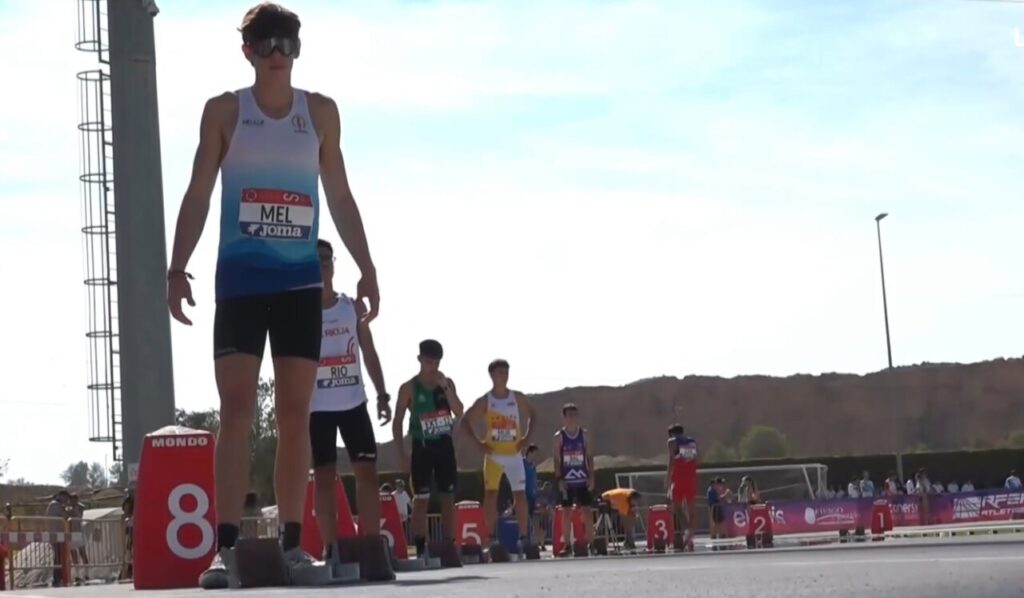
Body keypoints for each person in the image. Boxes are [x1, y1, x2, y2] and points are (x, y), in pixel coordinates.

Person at [165, 3, 379, 589]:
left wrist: (367, 266)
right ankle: (224, 547)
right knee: (235, 412)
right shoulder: (225, 112)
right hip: (239, 281)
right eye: (266, 42)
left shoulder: (323, 114)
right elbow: (198, 193)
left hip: (298, 285)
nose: (278, 52)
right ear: (248, 51)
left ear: (299, 47)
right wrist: (176, 266)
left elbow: (339, 194)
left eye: (287, 40)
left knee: (294, 416)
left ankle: (292, 545)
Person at [309, 239, 393, 580]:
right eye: (315, 260)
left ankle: (371, 546)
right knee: (324, 480)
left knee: (368, 477)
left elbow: (369, 352)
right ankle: (331, 549)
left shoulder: (351, 308)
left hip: (354, 403)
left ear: (333, 265)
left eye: (326, 259)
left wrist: (383, 393)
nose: (322, 265)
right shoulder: (301, 312)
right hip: (318, 409)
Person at [392, 340, 464, 562]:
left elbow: (459, 410)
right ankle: (421, 547)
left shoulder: (447, 383)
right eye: (428, 362)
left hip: (443, 445)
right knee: (421, 499)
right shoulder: (408, 387)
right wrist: (401, 453)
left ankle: (450, 545)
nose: (432, 366)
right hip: (421, 447)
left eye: (436, 362)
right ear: (420, 360)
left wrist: (446, 389)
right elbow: (397, 421)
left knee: (447, 497)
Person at [461, 359, 537, 557]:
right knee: (491, 495)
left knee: (520, 494)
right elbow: (466, 420)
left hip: (514, 454)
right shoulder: (486, 400)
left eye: (507, 372)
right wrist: (479, 443)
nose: (504, 375)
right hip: (494, 455)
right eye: (501, 372)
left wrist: (526, 438)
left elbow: (533, 415)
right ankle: (492, 536)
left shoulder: (517, 397)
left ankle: (523, 536)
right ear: (492, 375)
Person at [553, 403, 595, 557]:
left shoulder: (584, 435)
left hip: (582, 479)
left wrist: (592, 477)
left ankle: (591, 543)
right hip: (567, 480)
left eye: (574, 415)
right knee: (566, 512)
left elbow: (589, 457)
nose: (572, 418)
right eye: (569, 415)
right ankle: (567, 544)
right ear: (564, 417)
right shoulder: (559, 437)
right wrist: (559, 479)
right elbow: (557, 460)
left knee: (587, 511)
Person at [665, 423, 698, 551]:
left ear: (672, 434)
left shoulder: (672, 441)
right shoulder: (692, 442)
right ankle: (690, 536)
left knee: (677, 508)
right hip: (691, 478)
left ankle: (688, 530)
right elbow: (695, 459)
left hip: (678, 478)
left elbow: (671, 460)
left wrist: (667, 478)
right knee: (691, 510)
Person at [523, 445, 543, 547]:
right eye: (535, 453)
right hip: (523, 495)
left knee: (533, 517)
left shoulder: (533, 466)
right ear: (530, 452)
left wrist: (536, 493)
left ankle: (535, 541)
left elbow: (534, 480)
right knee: (525, 517)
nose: (536, 456)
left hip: (532, 496)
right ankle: (525, 539)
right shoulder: (522, 464)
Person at [707, 477, 731, 543]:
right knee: (717, 522)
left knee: (719, 521)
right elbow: (719, 498)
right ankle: (715, 534)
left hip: (717, 507)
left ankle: (720, 534)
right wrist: (726, 494)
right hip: (716, 507)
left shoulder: (714, 490)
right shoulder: (712, 490)